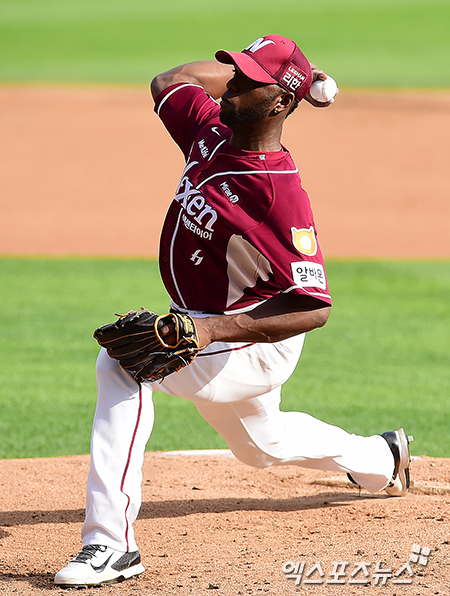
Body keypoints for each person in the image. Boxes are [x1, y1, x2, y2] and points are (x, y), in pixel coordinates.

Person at [55, 34, 412, 588]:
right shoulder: (211, 131)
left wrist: (206, 329)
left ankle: (111, 544)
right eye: (234, 71)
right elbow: (170, 82)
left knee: (126, 366)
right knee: (261, 446)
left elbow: (313, 305)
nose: (232, 84)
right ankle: (381, 459)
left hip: (251, 342)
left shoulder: (277, 193)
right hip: (210, 331)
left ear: (277, 104)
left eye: (247, 80)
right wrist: (302, 77)